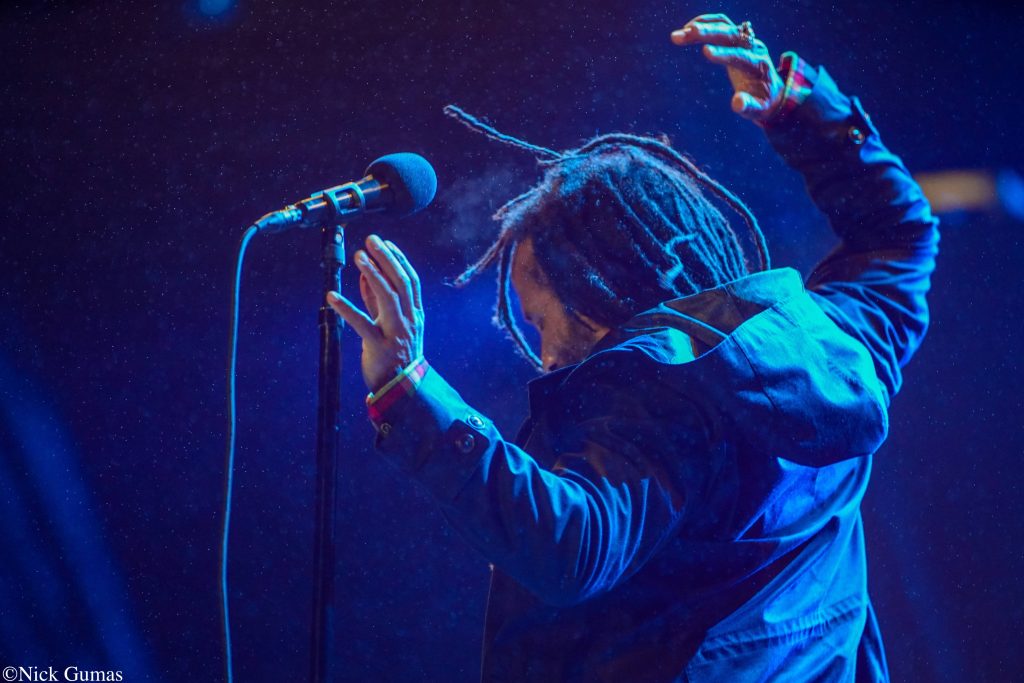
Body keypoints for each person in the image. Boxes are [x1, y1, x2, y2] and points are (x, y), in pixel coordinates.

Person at [325, 12, 939, 682]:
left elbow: (571, 547)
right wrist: (800, 109)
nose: (545, 358)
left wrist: (412, 392)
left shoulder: (658, 398)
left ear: (595, 299)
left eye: (539, 322)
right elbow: (899, 235)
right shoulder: (829, 341)